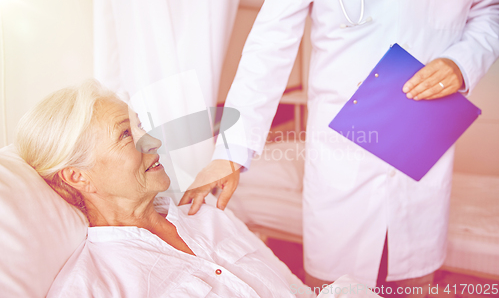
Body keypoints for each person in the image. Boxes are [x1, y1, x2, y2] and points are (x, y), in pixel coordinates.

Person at [180, 0, 499, 296]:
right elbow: (270, 44)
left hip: (422, 153)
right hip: (343, 162)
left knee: (414, 284)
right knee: (335, 287)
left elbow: (492, 11)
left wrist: (462, 63)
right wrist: (231, 152)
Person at [15, 80, 321, 298]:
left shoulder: (206, 214)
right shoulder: (95, 286)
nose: (154, 142)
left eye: (141, 127)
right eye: (125, 134)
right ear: (77, 177)